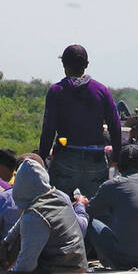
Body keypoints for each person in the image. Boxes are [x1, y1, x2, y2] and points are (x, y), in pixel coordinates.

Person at [38, 44, 122, 198]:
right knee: (96, 210)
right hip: (95, 160)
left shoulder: (56, 91)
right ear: (86, 65)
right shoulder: (101, 90)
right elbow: (115, 125)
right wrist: (116, 156)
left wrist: (41, 157)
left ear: (64, 65)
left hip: (66, 158)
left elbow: (48, 129)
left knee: (59, 209)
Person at [76, 145, 138, 269]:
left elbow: (88, 212)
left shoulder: (111, 185)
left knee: (89, 221)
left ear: (119, 167)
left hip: (125, 261)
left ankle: (78, 261)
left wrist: (80, 203)